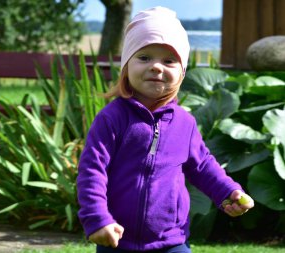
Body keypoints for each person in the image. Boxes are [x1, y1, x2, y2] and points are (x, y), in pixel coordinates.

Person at [76, 6, 254, 253]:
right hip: (116, 238)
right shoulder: (112, 118)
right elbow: (92, 171)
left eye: (169, 61)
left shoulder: (185, 123)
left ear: (181, 73)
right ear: (126, 66)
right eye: (144, 57)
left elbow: (202, 165)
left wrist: (227, 191)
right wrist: (98, 219)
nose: (157, 67)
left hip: (171, 240)